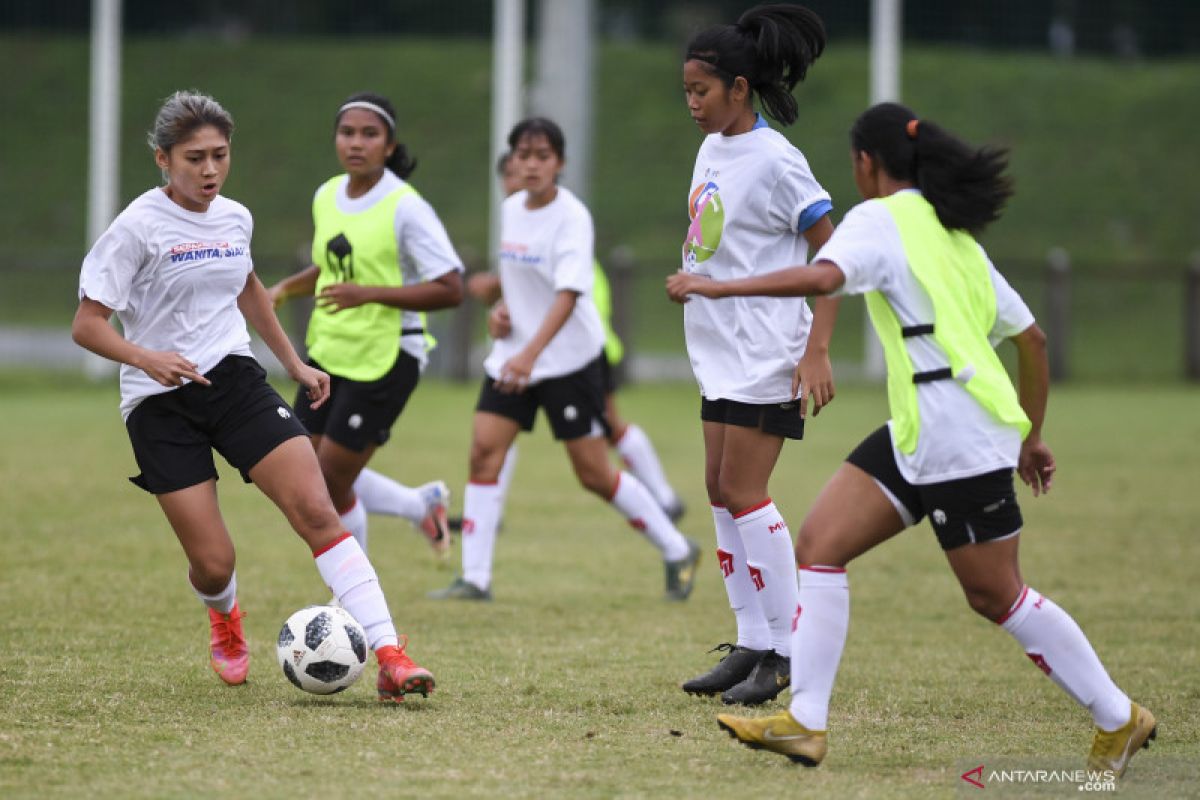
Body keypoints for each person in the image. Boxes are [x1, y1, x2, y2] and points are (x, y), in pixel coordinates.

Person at [668, 101, 1155, 778]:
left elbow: (820, 277)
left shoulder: (880, 219)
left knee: (996, 596)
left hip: (956, 436)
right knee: (821, 545)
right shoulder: (953, 233)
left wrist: (716, 289)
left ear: (867, 165)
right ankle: (805, 722)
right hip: (920, 430)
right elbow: (1032, 340)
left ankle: (1118, 715)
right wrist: (1031, 435)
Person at [72, 90, 434, 701]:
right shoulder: (135, 227)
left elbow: (249, 290)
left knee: (318, 511)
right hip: (160, 401)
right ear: (163, 159)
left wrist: (293, 361)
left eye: (219, 155)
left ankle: (393, 655)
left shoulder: (235, 217)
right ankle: (224, 614)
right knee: (214, 563)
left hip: (235, 381)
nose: (209, 170)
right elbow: (87, 324)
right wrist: (147, 357)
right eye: (194, 158)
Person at [430, 118, 701, 602]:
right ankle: (476, 578)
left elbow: (569, 294)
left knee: (594, 473)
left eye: (542, 156)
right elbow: (520, 283)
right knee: (483, 452)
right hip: (516, 358)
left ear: (560, 163)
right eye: (523, 155)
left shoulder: (572, 217)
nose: (531, 165)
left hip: (568, 361)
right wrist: (502, 315)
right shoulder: (512, 208)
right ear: (512, 161)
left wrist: (531, 354)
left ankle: (678, 548)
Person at [675, 4, 839, 707]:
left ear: (740, 89)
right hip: (719, 351)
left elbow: (833, 254)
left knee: (745, 493)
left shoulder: (777, 161)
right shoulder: (713, 146)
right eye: (686, 92)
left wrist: (817, 351)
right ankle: (751, 641)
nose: (691, 104)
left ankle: (788, 651)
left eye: (701, 93)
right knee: (719, 491)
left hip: (767, 352)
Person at [267, 92, 464, 562]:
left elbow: (452, 287)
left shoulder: (405, 207)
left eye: (369, 134)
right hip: (331, 351)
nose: (356, 143)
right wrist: (280, 292)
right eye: (347, 132)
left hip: (389, 355)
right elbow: (330, 269)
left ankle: (353, 600)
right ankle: (419, 505)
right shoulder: (326, 195)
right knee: (306, 475)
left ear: (390, 145)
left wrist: (369, 293)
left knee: (332, 480)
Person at [454, 152, 686, 528]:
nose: (520, 181)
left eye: (526, 170)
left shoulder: (563, 227)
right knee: (496, 433)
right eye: (511, 176)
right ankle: (486, 516)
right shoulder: (521, 224)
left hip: (578, 352)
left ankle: (663, 500)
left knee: (610, 434)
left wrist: (495, 288)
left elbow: (554, 291)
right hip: (541, 353)